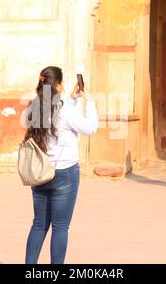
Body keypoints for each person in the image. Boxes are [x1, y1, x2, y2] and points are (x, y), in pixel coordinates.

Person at [23, 66, 98, 264]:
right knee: (60, 227)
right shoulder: (64, 109)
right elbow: (90, 128)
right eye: (62, 83)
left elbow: (56, 117)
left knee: (39, 225)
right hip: (64, 174)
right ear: (57, 85)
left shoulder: (34, 107)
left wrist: (73, 99)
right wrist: (89, 101)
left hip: (41, 172)